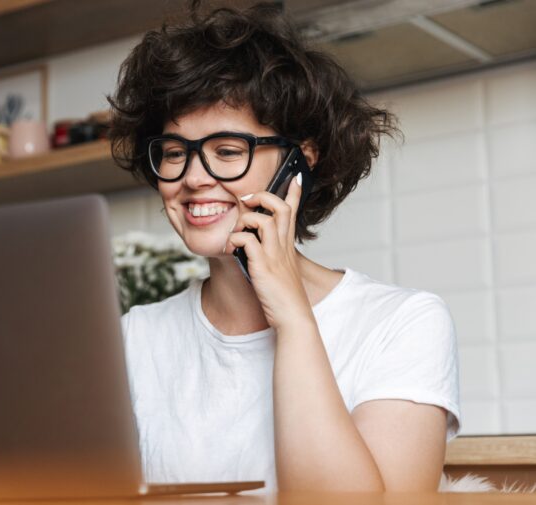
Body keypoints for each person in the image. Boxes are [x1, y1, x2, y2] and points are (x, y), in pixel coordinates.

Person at [106, 1, 460, 493]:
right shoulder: (133, 338)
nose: (192, 178)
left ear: (300, 162)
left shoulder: (403, 324)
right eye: (173, 153)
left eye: (226, 152)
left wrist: (293, 320)